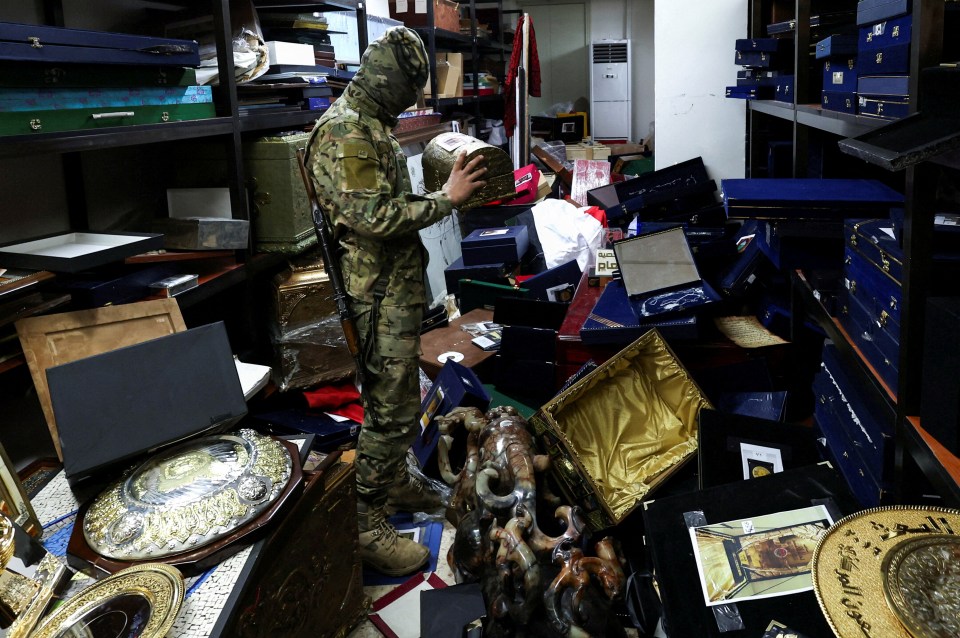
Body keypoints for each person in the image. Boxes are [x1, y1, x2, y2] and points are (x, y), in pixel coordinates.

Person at [304, 26, 487, 576]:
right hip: (377, 296)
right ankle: (363, 522)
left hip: (395, 289)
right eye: (409, 89)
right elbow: (372, 216)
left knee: (401, 397)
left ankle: (395, 482)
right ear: (388, 82)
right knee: (389, 410)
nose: (413, 102)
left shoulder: (370, 127)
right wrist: (445, 200)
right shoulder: (345, 133)